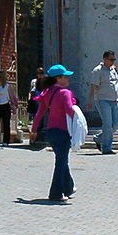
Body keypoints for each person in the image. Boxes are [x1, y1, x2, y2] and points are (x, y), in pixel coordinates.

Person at [29, 64, 78, 202]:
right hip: (63, 131)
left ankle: (69, 187)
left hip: (51, 131)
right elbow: (69, 110)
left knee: (62, 160)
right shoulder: (65, 93)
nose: (68, 78)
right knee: (61, 162)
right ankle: (55, 194)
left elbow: (39, 114)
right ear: (58, 78)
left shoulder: (47, 93)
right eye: (65, 76)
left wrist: (34, 130)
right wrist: (80, 120)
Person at [88, 50, 118, 155]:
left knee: (116, 124)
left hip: (114, 100)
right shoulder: (98, 70)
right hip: (102, 100)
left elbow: (115, 85)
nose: (112, 62)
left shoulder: (113, 70)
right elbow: (93, 86)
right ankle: (107, 148)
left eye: (114, 59)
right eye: (111, 59)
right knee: (107, 124)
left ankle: (98, 138)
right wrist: (90, 100)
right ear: (105, 59)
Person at [0, 70, 20, 146]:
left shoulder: (7, 86)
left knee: (6, 124)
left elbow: (12, 96)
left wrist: (14, 105)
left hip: (5, 105)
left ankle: (6, 141)